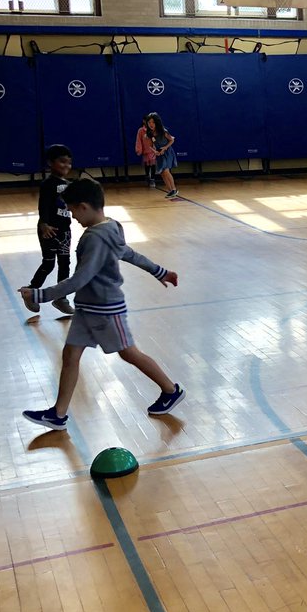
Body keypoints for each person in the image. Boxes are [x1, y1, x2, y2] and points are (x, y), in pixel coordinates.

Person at [18, 177, 184, 430]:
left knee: (130, 353)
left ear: (84, 206)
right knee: (71, 354)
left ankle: (170, 390)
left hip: (106, 309)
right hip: (88, 308)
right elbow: (128, 253)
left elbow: (80, 278)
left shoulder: (96, 237)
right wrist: (160, 271)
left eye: (72, 209)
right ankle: (58, 414)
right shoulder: (111, 226)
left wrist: (39, 295)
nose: (72, 216)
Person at [22, 143, 76, 316]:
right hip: (49, 230)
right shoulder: (48, 184)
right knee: (48, 264)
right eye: (62, 162)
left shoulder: (68, 184)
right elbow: (43, 205)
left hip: (65, 231)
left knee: (65, 265)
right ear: (50, 163)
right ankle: (30, 292)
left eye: (69, 162)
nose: (66, 165)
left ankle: (61, 298)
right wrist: (43, 224)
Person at [146, 112, 179, 199]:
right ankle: (169, 190)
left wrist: (164, 148)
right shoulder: (150, 134)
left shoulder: (163, 131)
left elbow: (172, 140)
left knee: (166, 171)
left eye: (153, 122)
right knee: (162, 172)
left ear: (157, 122)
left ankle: (174, 189)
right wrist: (155, 151)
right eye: (149, 123)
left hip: (167, 152)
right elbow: (150, 146)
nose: (151, 124)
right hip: (159, 154)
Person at [135, 117, 157, 187]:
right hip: (145, 150)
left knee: (153, 165)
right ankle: (147, 176)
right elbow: (138, 140)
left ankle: (152, 179)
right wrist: (139, 149)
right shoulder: (141, 130)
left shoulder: (153, 129)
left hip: (153, 150)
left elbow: (155, 140)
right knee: (147, 165)